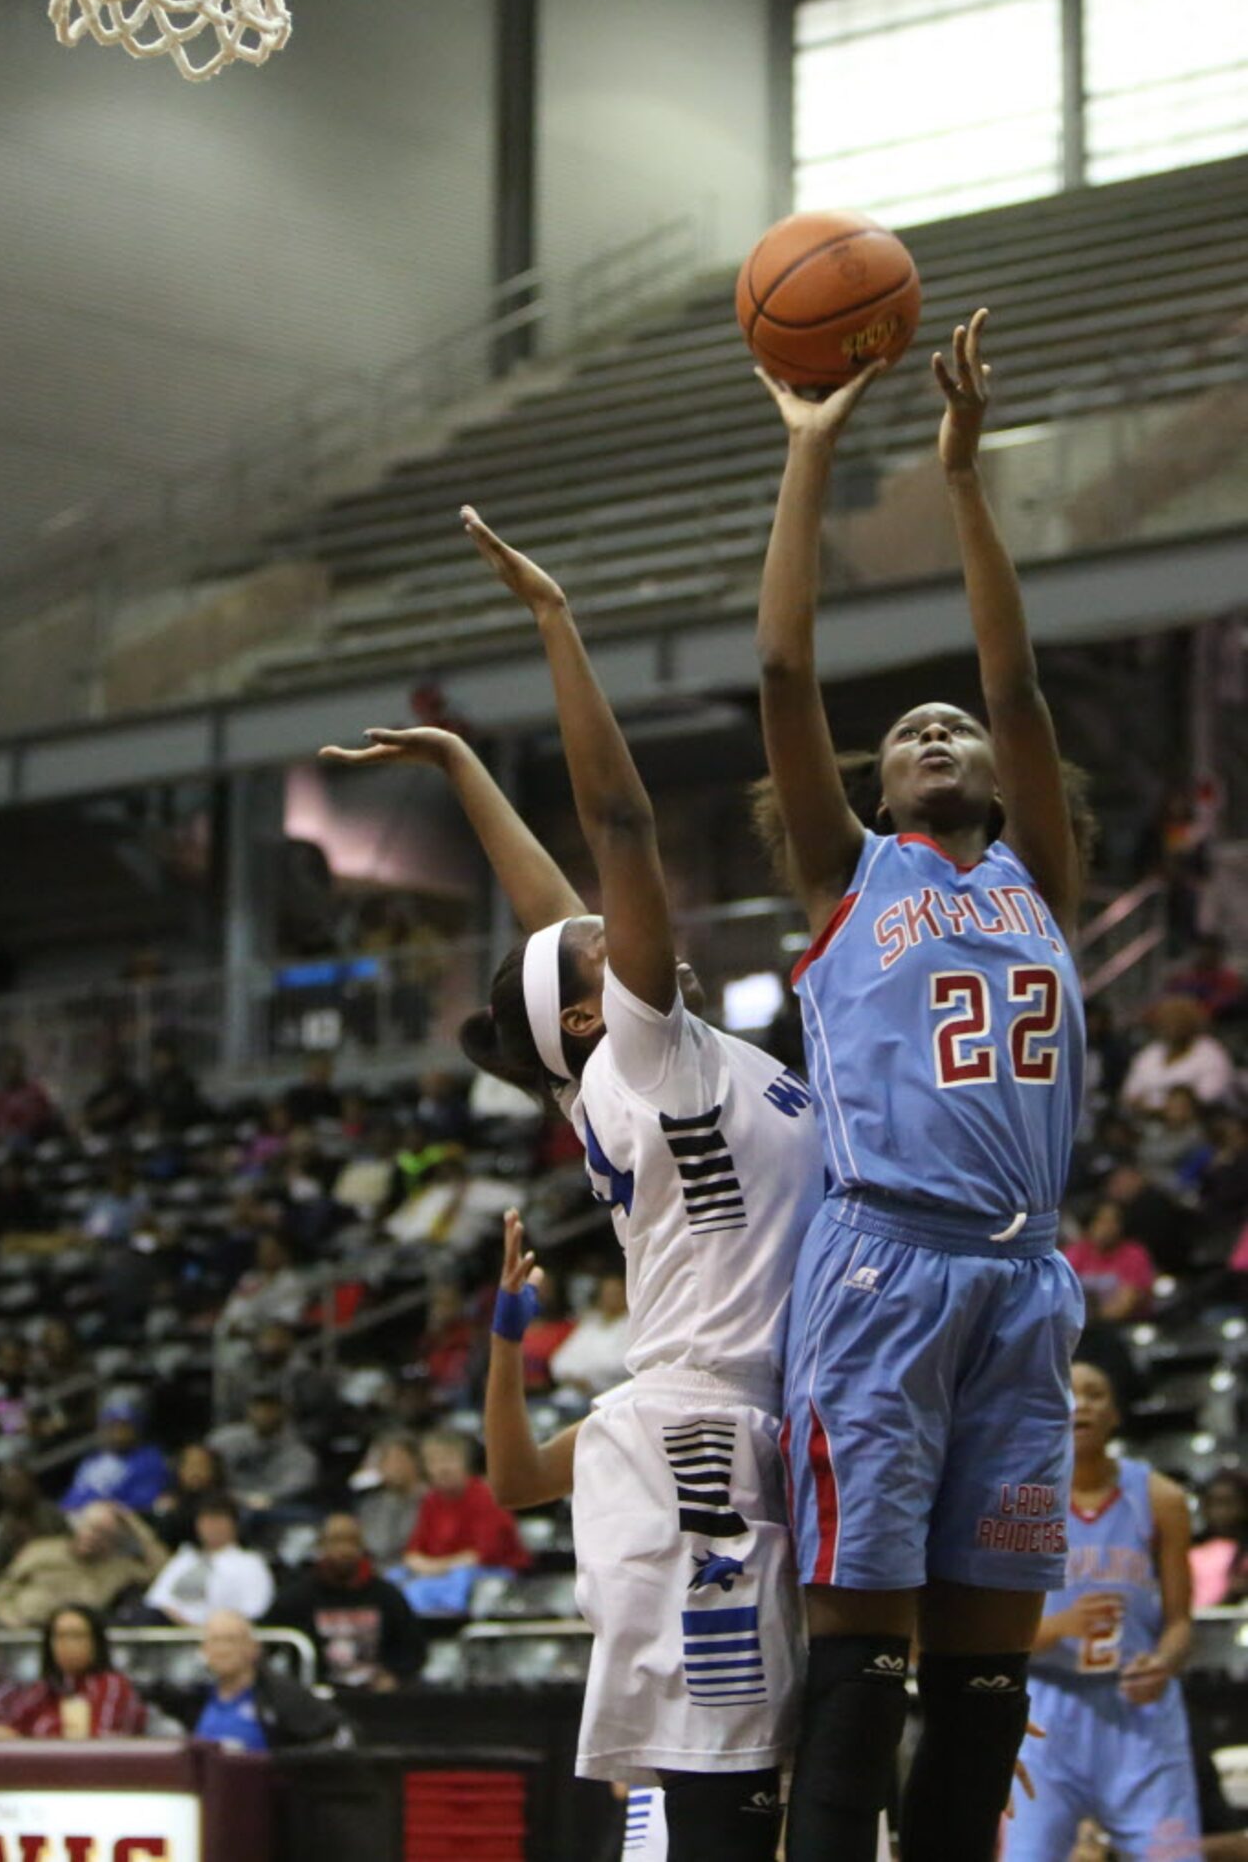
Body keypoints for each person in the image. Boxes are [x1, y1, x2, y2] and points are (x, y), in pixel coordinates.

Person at [321, 496, 826, 1861]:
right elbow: (616, 820)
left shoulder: (622, 1061)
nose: (624, 933)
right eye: (609, 953)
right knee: (727, 1804)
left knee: (775, 1794)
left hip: (723, 1426)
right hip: (699, 1446)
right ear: (595, 1018)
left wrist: (460, 768)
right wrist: (554, 621)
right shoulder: (650, 1057)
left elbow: (552, 919)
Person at [753, 310, 1088, 1861]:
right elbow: (780, 663)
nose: (941, 729)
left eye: (952, 724)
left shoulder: (1036, 876)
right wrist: (811, 455)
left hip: (1023, 1279)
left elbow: (1016, 682)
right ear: (877, 790)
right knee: (860, 1675)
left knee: (981, 1690)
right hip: (884, 1264)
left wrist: (963, 481)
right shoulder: (849, 873)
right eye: (908, 732)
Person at [1005, 1361, 1200, 1859]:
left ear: (1114, 1415)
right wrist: (1060, 1628)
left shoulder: (1161, 1498)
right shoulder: (1019, 1500)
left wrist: (1164, 1662)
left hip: (1138, 1707)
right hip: (1045, 1708)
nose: (1082, 1403)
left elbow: (1180, 1623)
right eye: (1070, 1392)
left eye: (1096, 1395)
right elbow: (988, 1635)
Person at [265, 1513, 426, 1690]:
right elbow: (267, 1640)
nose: (344, 1550)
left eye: (351, 1542)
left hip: (378, 1699)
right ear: (321, 1546)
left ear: (362, 1546)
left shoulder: (387, 1595)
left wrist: (394, 1676)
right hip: (317, 1698)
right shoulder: (298, 1596)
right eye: (335, 1541)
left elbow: (412, 1650)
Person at [148, 1609, 348, 1750]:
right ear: (204, 1651)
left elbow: (335, 1734)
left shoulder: (281, 1695)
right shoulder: (194, 1700)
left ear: (253, 1648)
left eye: (231, 1640)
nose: (223, 1650)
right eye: (215, 1641)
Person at [399, 1429, 530, 1614]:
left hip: (489, 1574)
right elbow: (412, 1555)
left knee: (457, 1580)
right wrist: (435, 1567)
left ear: (465, 1463)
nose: (442, 1468)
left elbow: (479, 1557)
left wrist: (434, 1567)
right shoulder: (430, 1501)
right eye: (434, 1462)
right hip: (439, 1573)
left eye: (449, 1460)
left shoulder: (486, 1496)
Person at [0, 1501, 167, 1629]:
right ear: (78, 1526)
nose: (94, 1537)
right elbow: (4, 1586)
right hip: (21, 1633)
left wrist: (133, 1523)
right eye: (91, 1528)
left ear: (114, 1542)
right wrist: (10, 1619)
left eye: (104, 1534)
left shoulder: (119, 1568)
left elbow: (164, 1573)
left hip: (76, 1639)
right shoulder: (41, 1550)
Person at [0, 1605, 145, 1738]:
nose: (67, 1644)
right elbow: (12, 1726)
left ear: (96, 1642)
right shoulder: (44, 1688)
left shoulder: (112, 1685)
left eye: (77, 1636)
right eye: (59, 1636)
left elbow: (100, 1742)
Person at [146, 1493, 274, 1625]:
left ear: (234, 1524)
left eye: (218, 1519)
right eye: (206, 1520)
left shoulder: (249, 1563)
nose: (211, 1526)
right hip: (169, 1632)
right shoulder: (185, 1558)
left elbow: (255, 1610)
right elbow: (156, 1600)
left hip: (222, 1635)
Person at [208, 1386, 320, 1511]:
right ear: (248, 1409)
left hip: (277, 1510)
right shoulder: (223, 1440)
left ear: (285, 1410)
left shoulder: (301, 1453)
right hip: (226, 1506)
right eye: (258, 1406)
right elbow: (203, 1472)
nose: (264, 1412)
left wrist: (257, 1500)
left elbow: (297, 1488)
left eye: (271, 1407)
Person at [1121, 998, 1233, 1116]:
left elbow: (1207, 1098)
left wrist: (1159, 1109)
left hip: (1201, 1122)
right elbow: (1130, 1094)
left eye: (1177, 1020)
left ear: (1192, 1022)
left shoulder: (1210, 1053)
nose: (1171, 1025)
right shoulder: (1150, 1052)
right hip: (1146, 1122)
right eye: (1166, 1020)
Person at [59, 1398, 170, 1514]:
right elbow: (73, 1496)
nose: (117, 1431)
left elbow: (145, 1498)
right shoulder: (91, 1461)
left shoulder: (148, 1458)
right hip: (81, 1515)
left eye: (123, 1426)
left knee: (98, 1515)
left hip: (120, 1517)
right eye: (112, 1425)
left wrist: (99, 1502)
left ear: (136, 1428)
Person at [1064, 1202, 1157, 1324]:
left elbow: (1125, 1303)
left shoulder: (1134, 1254)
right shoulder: (1075, 1253)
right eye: (1101, 1222)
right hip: (1081, 1328)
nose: (1107, 1228)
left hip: (1124, 1327)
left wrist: (1093, 1320)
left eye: (1113, 1222)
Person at [545, 1272, 631, 1396]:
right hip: (571, 1394)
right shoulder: (590, 1324)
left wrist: (590, 1380)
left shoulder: (631, 1325)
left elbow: (621, 1365)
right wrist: (576, 1378)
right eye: (606, 1293)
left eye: (615, 1293)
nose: (610, 1298)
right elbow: (559, 1362)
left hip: (611, 1395)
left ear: (625, 1294)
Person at [353, 1434, 425, 1569]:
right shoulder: (371, 1504)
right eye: (385, 1461)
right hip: (378, 1570)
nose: (392, 1467)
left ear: (416, 1461)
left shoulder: (432, 1500)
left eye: (398, 1459)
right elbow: (377, 1545)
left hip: (418, 1570)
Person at [0, 1461, 65, 1575]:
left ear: (30, 1483)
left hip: (61, 1568)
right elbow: (0, 1570)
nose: (16, 1490)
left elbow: (70, 1543)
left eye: (19, 1482)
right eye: (10, 1486)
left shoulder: (50, 1512)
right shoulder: (6, 1528)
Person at [1189, 1470, 1248, 1609]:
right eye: (1212, 1504)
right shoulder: (1192, 1550)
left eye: (1228, 1503)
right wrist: (1232, 1595)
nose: (1219, 1512)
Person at [152, 1442, 228, 1550]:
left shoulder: (224, 1503)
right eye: (190, 1465)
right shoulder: (169, 1500)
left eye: (201, 1465)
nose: (195, 1471)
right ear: (180, 1470)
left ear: (213, 1470)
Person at [0, 1047, 57, 1145]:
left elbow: (46, 1120)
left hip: (30, 1144)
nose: (11, 1070)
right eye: (7, 1067)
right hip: (1, 1146)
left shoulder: (35, 1093)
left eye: (15, 1065)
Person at [82, 1051, 146, 1136]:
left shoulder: (130, 1088)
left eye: (112, 1062)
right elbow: (86, 1113)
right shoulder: (103, 1088)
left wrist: (99, 1113)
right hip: (100, 1137)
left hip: (125, 1138)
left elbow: (117, 1106)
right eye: (106, 1063)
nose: (107, 1066)